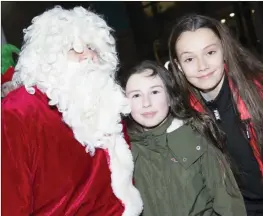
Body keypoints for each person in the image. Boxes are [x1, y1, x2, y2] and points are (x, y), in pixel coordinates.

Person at [1, 6, 143, 216]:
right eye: (73, 49)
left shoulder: (106, 103)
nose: (87, 56)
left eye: (93, 48)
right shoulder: (19, 111)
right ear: (47, 56)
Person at [118, 60, 246, 216]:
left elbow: (228, 203)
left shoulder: (195, 136)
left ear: (170, 97)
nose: (146, 103)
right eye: (136, 95)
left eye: (155, 92)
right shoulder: (121, 151)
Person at [167, 14, 263, 215]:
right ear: (178, 67)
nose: (202, 66)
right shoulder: (181, 115)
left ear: (224, 51)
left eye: (210, 52)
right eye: (190, 59)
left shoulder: (258, 90)